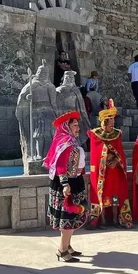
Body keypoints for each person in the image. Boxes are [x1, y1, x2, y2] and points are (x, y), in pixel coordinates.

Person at [43, 111, 89, 262]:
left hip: (75, 181)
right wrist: (65, 185)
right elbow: (60, 166)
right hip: (67, 184)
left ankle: (67, 245)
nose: (78, 128)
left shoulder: (70, 141)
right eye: (74, 125)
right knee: (68, 217)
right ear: (66, 127)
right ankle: (62, 251)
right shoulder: (65, 143)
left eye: (78, 125)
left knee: (73, 216)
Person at [87, 99, 134, 229]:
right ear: (104, 122)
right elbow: (96, 152)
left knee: (115, 196)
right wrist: (105, 160)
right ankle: (101, 220)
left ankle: (114, 219)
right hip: (102, 171)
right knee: (102, 195)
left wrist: (115, 160)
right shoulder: (95, 135)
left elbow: (119, 151)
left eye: (113, 120)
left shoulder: (117, 134)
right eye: (111, 120)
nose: (113, 122)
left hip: (114, 170)